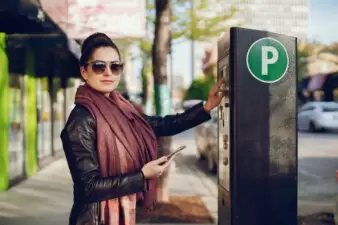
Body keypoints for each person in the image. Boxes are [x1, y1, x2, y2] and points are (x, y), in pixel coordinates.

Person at [60, 32, 226, 225]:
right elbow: (88, 187)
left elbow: (161, 125)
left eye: (115, 66)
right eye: (99, 66)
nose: (108, 73)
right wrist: (142, 176)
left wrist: (206, 106)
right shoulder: (81, 120)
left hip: (122, 213)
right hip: (95, 219)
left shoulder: (123, 108)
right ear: (84, 72)